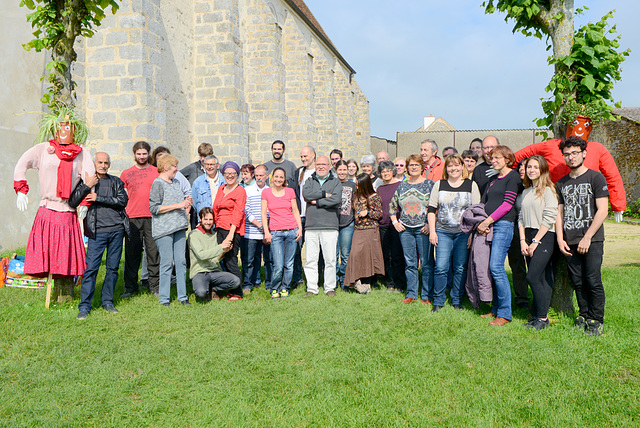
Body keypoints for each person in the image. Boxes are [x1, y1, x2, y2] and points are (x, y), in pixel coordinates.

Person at [13, 110, 95, 291]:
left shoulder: (82, 153)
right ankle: (51, 285)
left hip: (67, 210)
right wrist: (21, 190)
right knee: (47, 252)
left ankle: (65, 292)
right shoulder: (43, 149)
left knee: (65, 253)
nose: (64, 131)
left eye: (68, 127)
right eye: (60, 127)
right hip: (47, 209)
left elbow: (90, 178)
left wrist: (84, 203)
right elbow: (21, 164)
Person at [556, 137, 609, 336]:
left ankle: (596, 320)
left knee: (593, 279)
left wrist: (587, 237)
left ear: (584, 153)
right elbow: (559, 213)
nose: (571, 157)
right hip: (570, 239)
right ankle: (584, 314)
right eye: (567, 154)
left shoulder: (596, 178)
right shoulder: (561, 183)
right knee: (577, 281)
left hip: (592, 239)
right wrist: (560, 239)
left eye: (575, 153)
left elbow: (602, 211)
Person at [68, 153, 128, 319]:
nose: (103, 165)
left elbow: (123, 200)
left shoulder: (116, 181)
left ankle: (107, 301)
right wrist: (87, 186)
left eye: (106, 163)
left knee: (112, 268)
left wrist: (98, 198)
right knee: (91, 269)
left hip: (117, 230)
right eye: (100, 162)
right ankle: (85, 306)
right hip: (97, 232)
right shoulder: (87, 181)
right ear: (94, 163)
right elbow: (72, 201)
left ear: (109, 164)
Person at [428, 154, 480, 312]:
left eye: (457, 165)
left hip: (463, 233)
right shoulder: (439, 185)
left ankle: (456, 299)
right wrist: (432, 232)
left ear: (462, 166)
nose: (454, 169)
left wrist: (471, 234)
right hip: (443, 231)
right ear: (446, 168)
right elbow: (431, 210)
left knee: (459, 267)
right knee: (441, 267)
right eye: (450, 166)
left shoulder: (471, 185)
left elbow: (476, 212)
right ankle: (438, 300)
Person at [476, 145, 520, 326]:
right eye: (492, 158)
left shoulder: (513, 177)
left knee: (496, 267)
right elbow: (483, 202)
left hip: (503, 226)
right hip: (490, 226)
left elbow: (507, 205)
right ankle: (495, 308)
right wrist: (481, 221)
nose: (493, 161)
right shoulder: (493, 180)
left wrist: (487, 221)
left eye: (497, 158)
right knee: (490, 268)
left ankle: (505, 313)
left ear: (508, 159)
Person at [518, 155, 558, 330]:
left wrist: (535, 241)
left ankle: (542, 319)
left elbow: (550, 217)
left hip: (544, 236)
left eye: (535, 167)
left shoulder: (548, 190)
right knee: (540, 278)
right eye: (529, 167)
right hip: (527, 236)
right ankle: (538, 315)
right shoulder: (526, 192)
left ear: (542, 170)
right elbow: (520, 218)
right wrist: (522, 241)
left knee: (532, 276)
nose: (531, 170)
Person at [390, 154, 435, 304]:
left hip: (424, 229)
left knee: (427, 263)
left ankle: (427, 295)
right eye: (411, 165)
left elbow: (436, 207)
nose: (413, 167)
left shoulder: (430, 184)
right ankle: (411, 294)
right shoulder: (402, 185)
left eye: (417, 165)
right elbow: (392, 205)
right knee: (410, 263)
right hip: (406, 230)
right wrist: (395, 221)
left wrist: (430, 224)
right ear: (407, 168)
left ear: (422, 167)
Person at [149, 154, 192, 306]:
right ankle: (164, 299)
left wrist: (186, 205)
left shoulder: (175, 182)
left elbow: (179, 203)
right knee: (166, 263)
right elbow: (154, 208)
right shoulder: (158, 184)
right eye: (174, 166)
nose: (177, 169)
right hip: (164, 230)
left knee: (181, 262)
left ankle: (183, 297)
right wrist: (178, 205)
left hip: (179, 227)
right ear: (166, 167)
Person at [120, 141, 160, 297]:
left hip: (152, 217)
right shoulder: (126, 173)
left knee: (153, 253)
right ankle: (130, 288)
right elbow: (122, 196)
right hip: (132, 218)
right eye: (139, 154)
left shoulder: (156, 171)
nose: (142, 156)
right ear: (134, 154)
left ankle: (154, 287)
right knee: (131, 254)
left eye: (144, 153)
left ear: (149, 153)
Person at [301, 155, 342, 297]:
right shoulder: (309, 180)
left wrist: (316, 201)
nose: (321, 166)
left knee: (330, 259)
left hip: (330, 226)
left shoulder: (335, 182)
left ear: (329, 166)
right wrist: (324, 194)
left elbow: (336, 200)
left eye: (324, 164)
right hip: (311, 226)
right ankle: (312, 288)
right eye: (318, 164)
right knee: (311, 259)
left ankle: (329, 287)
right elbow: (306, 194)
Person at [261, 167, 303, 298]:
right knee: (278, 265)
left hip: (292, 231)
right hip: (276, 233)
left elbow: (295, 211)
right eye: (276, 176)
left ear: (284, 179)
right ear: (272, 178)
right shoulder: (266, 192)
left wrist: (300, 228)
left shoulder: (290, 191)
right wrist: (266, 232)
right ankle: (275, 288)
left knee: (289, 264)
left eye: (281, 177)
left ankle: (285, 287)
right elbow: (263, 214)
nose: (278, 179)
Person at [188, 207, 242, 301]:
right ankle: (205, 290)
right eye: (205, 219)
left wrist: (224, 251)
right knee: (201, 293)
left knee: (236, 281)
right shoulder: (194, 234)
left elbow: (215, 259)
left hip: (215, 272)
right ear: (200, 219)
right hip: (200, 272)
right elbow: (201, 255)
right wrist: (221, 247)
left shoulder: (215, 234)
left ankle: (213, 289)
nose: (208, 222)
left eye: (210, 219)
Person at [344, 173, 384, 294]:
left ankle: (367, 282)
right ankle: (354, 281)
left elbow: (379, 214)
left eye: (358, 185)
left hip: (370, 230)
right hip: (358, 229)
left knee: (368, 256)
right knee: (355, 254)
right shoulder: (356, 196)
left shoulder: (374, 197)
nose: (356, 187)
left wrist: (367, 212)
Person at [213, 161, 247, 290]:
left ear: (237, 175)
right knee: (221, 260)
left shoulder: (240, 191)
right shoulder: (221, 188)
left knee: (230, 260)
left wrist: (231, 235)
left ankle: (237, 291)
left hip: (232, 229)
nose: (230, 176)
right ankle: (226, 288)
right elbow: (215, 208)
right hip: (219, 227)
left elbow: (238, 213)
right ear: (223, 174)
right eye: (227, 173)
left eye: (233, 173)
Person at [376, 160, 406, 292]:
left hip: (397, 225)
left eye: (388, 170)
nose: (386, 173)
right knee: (386, 255)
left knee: (397, 255)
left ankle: (399, 283)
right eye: (383, 171)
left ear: (393, 171)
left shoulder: (400, 185)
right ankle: (390, 283)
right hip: (383, 225)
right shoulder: (379, 189)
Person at [242, 165, 271, 294]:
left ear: (266, 176)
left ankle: (266, 283)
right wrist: (260, 226)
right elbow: (246, 211)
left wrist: (267, 229)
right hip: (251, 231)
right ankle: (248, 284)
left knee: (267, 259)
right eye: (257, 175)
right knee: (249, 260)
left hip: (267, 232)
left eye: (261, 175)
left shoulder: (270, 191)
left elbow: (271, 211)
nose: (259, 178)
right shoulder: (248, 190)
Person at [291, 146, 317, 287]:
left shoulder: (319, 172)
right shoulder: (298, 172)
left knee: (314, 251)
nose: (303, 159)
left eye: (305, 156)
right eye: (301, 156)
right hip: (299, 217)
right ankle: (297, 279)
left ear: (313, 155)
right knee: (296, 250)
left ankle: (315, 279)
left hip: (314, 217)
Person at [181, 143, 213, 229]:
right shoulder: (192, 167)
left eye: (205, 156)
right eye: (201, 156)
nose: (202, 159)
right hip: (196, 211)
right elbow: (177, 176)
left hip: (212, 211)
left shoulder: (217, 168)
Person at [334, 160, 355, 290]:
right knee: (333, 255)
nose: (342, 172)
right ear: (336, 170)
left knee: (345, 255)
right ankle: (334, 281)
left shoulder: (352, 185)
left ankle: (345, 282)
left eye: (344, 169)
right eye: (339, 170)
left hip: (348, 224)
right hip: (333, 223)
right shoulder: (332, 184)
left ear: (347, 170)